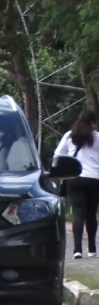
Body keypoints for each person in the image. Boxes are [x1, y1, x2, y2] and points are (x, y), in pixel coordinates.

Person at [55, 109, 99, 258]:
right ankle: (92, 248)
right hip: (94, 178)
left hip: (74, 178)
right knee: (91, 214)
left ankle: (77, 249)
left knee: (78, 213)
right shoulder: (97, 137)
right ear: (93, 122)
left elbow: (58, 154)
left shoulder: (69, 135)